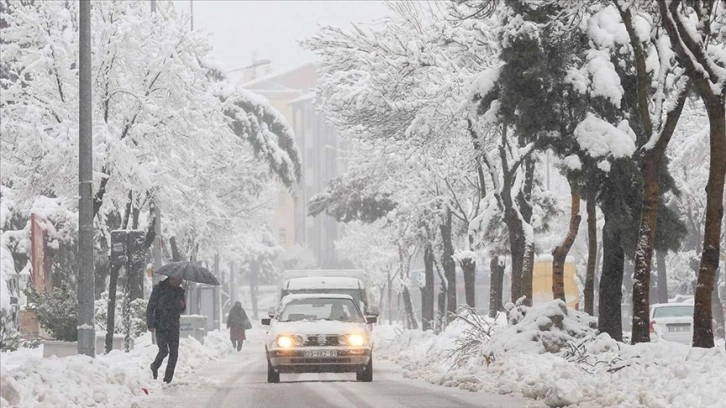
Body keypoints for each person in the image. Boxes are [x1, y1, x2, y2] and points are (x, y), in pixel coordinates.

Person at [146, 276, 186, 383]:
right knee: (163, 351)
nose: (180, 282)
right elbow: (150, 306)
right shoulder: (159, 289)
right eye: (178, 279)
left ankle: (168, 379)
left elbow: (182, 309)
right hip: (161, 324)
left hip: (174, 325)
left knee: (174, 353)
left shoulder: (180, 291)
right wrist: (150, 323)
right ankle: (155, 366)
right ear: (171, 278)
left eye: (180, 280)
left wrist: (182, 306)